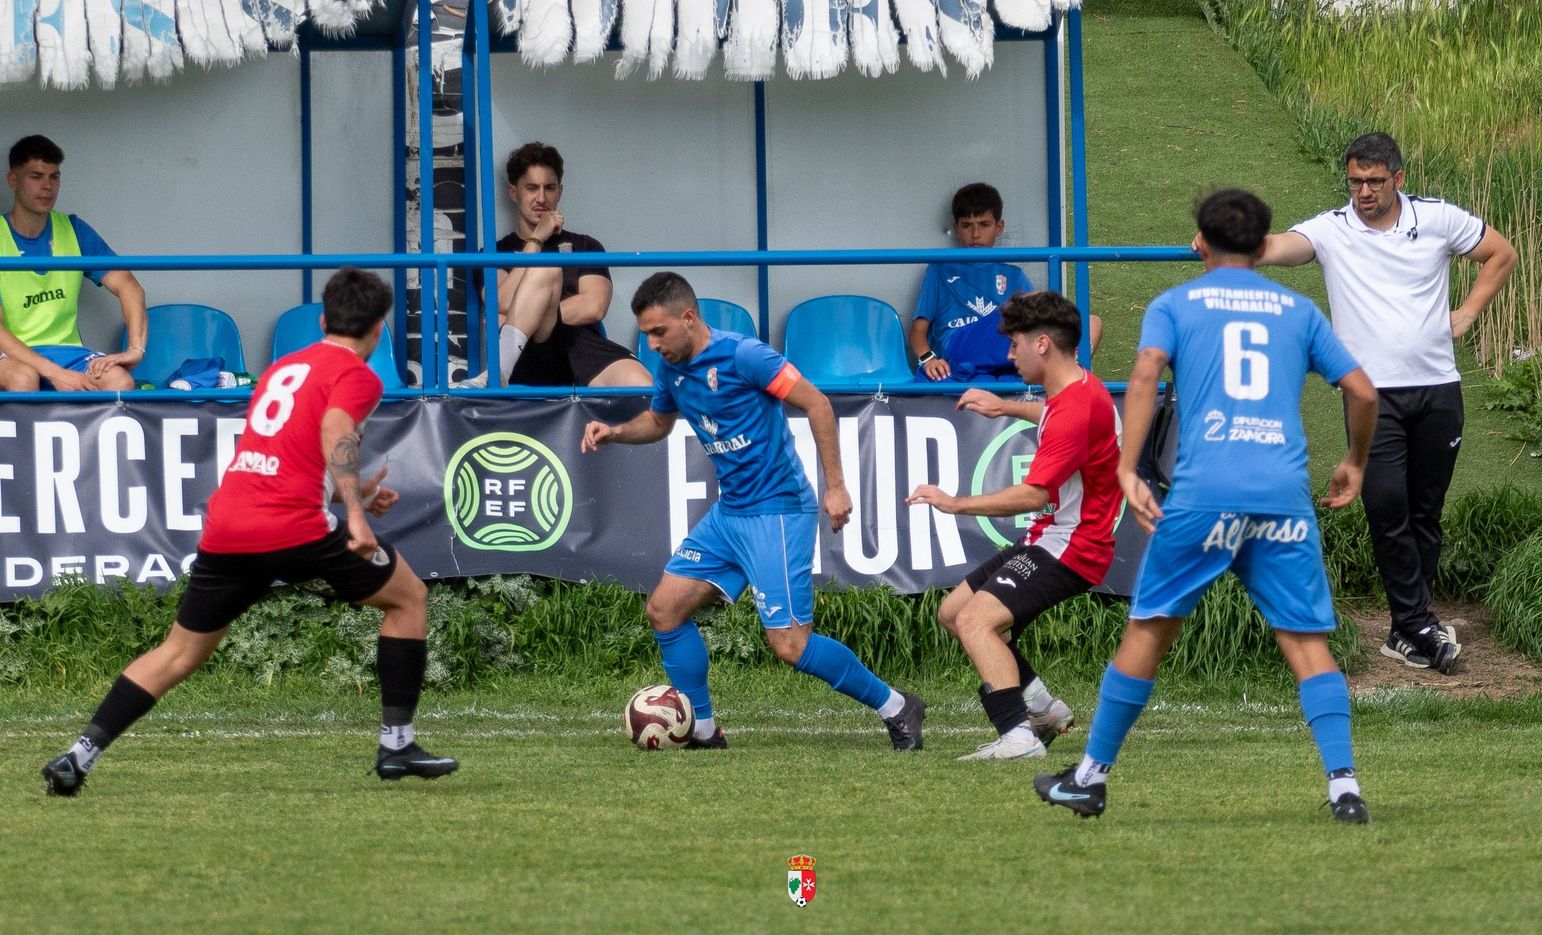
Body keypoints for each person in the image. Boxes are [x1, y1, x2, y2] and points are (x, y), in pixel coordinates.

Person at [41, 268, 458, 796]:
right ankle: (397, 743)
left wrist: (349, 495)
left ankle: (78, 756)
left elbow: (278, 460)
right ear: (379, 327)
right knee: (409, 599)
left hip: (232, 524)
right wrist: (354, 512)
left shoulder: (283, 369)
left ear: (324, 319)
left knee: (178, 653)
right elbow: (335, 431)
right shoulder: (357, 375)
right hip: (293, 527)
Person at [1037, 189, 1379, 823]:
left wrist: (1127, 466)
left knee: (1150, 628)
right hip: (1280, 495)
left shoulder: (1175, 304)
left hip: (1204, 497)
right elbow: (1361, 390)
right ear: (1263, 245)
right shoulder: (1298, 310)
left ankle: (1090, 778)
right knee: (1305, 643)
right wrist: (1355, 461)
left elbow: (1144, 375)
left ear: (1201, 241)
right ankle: (1344, 787)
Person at [582, 271, 925, 751]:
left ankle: (896, 706)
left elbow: (818, 404)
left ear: (688, 317)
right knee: (664, 611)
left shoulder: (745, 355)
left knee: (789, 645)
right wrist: (614, 431)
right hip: (732, 514)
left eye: (659, 332)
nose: (652, 344)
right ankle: (702, 730)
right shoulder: (671, 369)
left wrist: (836, 487)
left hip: (779, 512)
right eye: (646, 335)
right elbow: (659, 422)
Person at [1246, 131, 1517, 674]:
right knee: (1386, 504)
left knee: (1425, 511)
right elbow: (1278, 248)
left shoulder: (1436, 218)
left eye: (1373, 181)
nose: (1363, 191)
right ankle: (1418, 625)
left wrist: (1467, 312)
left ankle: (1407, 626)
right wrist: (1230, 244)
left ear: (1397, 178)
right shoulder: (1332, 228)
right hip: (1372, 395)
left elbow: (1501, 253)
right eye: (1355, 181)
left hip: (1439, 386)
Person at [906, 290, 1122, 760]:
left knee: (974, 622)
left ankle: (1019, 737)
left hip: (1071, 547)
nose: (1009, 355)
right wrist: (1006, 407)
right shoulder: (1077, 389)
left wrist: (954, 503)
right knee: (952, 614)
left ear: (1042, 344)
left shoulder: (1075, 408)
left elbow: (1032, 495)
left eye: (1014, 344)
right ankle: (1043, 709)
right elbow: (1052, 419)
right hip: (1053, 539)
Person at [485, 141, 650, 388]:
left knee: (641, 383)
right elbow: (500, 302)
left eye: (549, 188)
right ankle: (496, 376)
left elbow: (594, 306)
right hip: (527, 353)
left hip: (580, 344)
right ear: (513, 192)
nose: (541, 198)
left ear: (560, 191)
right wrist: (536, 240)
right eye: (532, 188)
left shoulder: (586, 245)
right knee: (545, 268)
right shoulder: (495, 253)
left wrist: (539, 312)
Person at [909, 182, 1101, 382]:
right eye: (967, 225)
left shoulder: (1013, 274)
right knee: (1031, 304)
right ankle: (1067, 370)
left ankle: (1071, 376)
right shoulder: (940, 269)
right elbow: (918, 330)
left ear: (999, 227)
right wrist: (929, 359)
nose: (976, 234)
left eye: (984, 225)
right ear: (957, 228)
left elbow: (1036, 320)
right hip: (959, 346)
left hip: (1007, 351)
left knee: (1092, 323)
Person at [0, 134, 147, 392]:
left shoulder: (74, 229)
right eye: (36, 176)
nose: (47, 186)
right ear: (13, 180)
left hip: (67, 353)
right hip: (12, 357)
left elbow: (129, 287)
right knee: (23, 379)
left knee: (120, 382)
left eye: (54, 177)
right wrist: (56, 374)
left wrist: (135, 349)